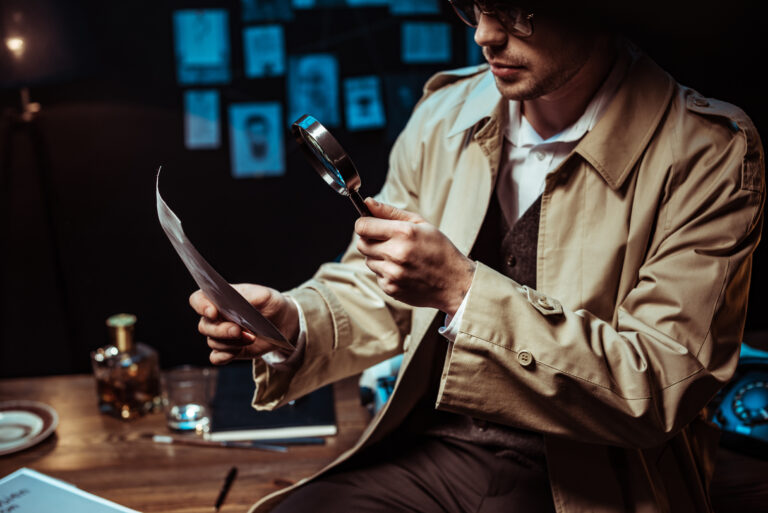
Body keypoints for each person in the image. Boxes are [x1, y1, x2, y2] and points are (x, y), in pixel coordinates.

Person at [190, 1, 765, 511]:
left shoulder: (709, 152)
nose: (484, 36)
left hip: (595, 480)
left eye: (516, 12)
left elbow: (661, 382)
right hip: (437, 453)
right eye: (472, 6)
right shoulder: (444, 114)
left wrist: (463, 291)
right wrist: (292, 321)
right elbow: (376, 290)